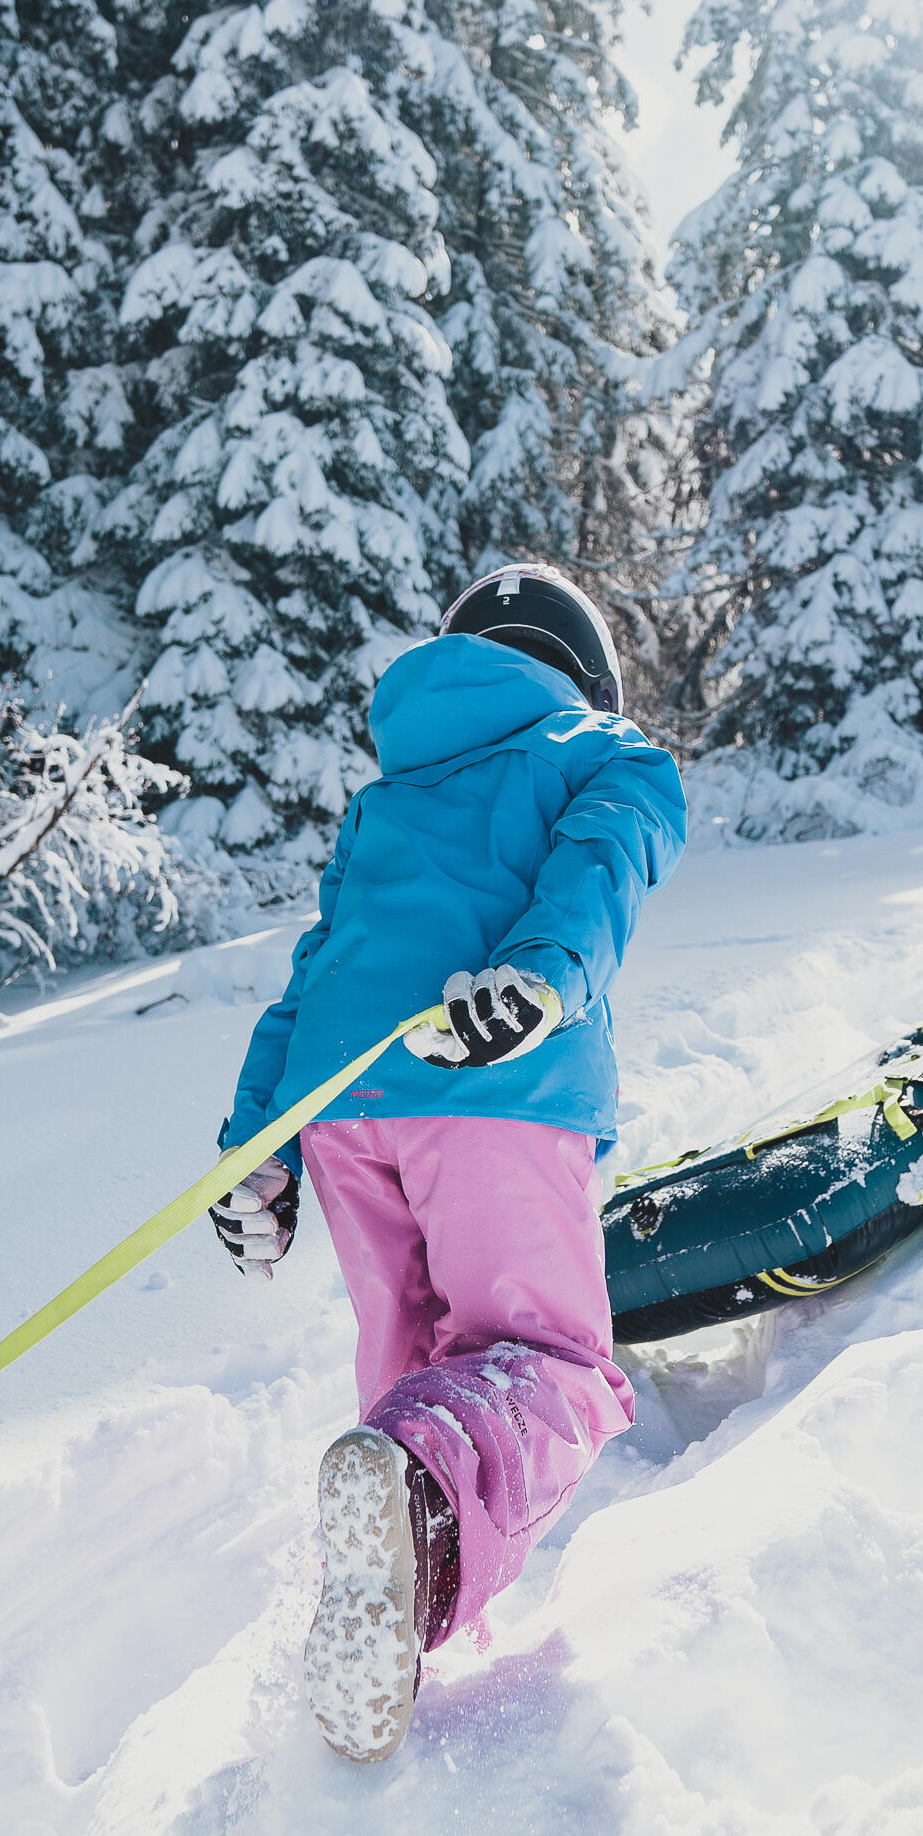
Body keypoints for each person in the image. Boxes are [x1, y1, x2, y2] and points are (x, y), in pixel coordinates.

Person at [208, 563, 685, 1764]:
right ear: (583, 670)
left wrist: (255, 1156)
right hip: (496, 1080)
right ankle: (418, 1532)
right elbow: (605, 863)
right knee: (548, 1361)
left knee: (412, 1368)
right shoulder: (601, 747)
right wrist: (539, 981)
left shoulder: (391, 796)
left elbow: (317, 971)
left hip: (346, 1109)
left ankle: (387, 1617)